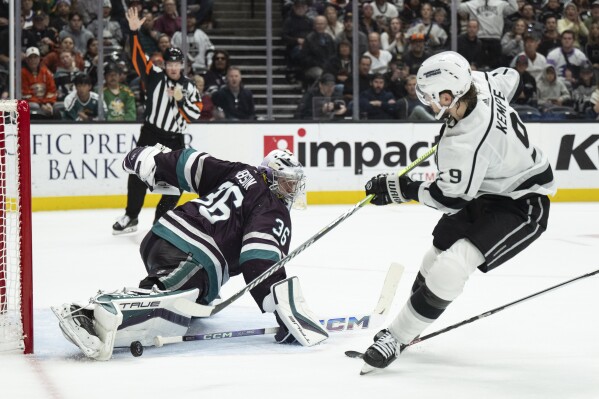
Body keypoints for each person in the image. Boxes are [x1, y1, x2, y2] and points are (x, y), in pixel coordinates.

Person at [359, 51, 556, 373]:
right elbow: (511, 76)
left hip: (523, 202)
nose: (428, 105)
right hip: (487, 188)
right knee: (434, 257)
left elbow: (449, 200)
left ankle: (397, 336)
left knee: (452, 266)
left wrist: (400, 189)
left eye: (431, 99)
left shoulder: (463, 145)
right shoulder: (479, 82)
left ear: (450, 96)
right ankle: (414, 321)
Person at [53, 146, 328, 360]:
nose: (291, 190)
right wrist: (283, 312)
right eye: (286, 182)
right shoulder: (271, 206)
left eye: (294, 183)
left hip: (165, 234)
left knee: (188, 304)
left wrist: (154, 162)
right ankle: (89, 316)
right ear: (269, 175)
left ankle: (168, 296)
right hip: (194, 255)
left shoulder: (240, 171)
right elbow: (260, 258)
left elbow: (195, 164)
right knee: (161, 300)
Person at [112, 7, 202, 235]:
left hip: (175, 139)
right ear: (165, 63)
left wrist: (180, 100)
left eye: (176, 64)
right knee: (137, 173)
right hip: (151, 133)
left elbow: (195, 114)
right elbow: (136, 58)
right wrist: (133, 33)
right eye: (169, 63)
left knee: (176, 183)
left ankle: (160, 223)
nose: (172, 67)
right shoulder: (155, 75)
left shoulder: (190, 87)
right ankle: (131, 216)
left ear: (182, 65)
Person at [21, 46, 57, 118]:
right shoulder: (22, 73)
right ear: (27, 60)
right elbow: (25, 94)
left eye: (35, 57)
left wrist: (48, 103)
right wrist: (41, 104)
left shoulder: (46, 72)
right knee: (34, 106)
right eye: (30, 58)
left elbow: (52, 89)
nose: (33, 60)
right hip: (32, 103)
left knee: (57, 107)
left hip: (45, 103)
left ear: (39, 59)